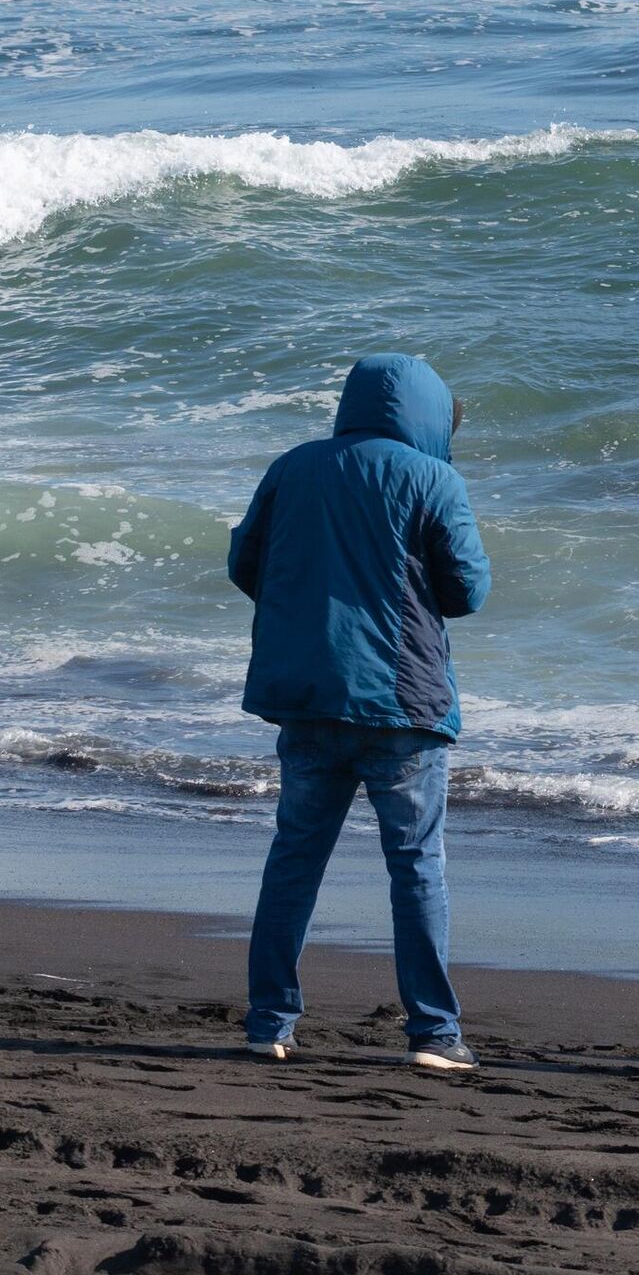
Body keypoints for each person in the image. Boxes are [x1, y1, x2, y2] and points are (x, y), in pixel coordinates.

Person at [229, 353, 491, 1071]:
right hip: (403, 707)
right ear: (430, 416)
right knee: (415, 867)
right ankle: (434, 1034)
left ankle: (269, 1022)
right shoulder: (434, 477)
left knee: (294, 860)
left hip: (310, 699)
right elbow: (467, 589)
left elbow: (245, 564)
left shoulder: (293, 466)